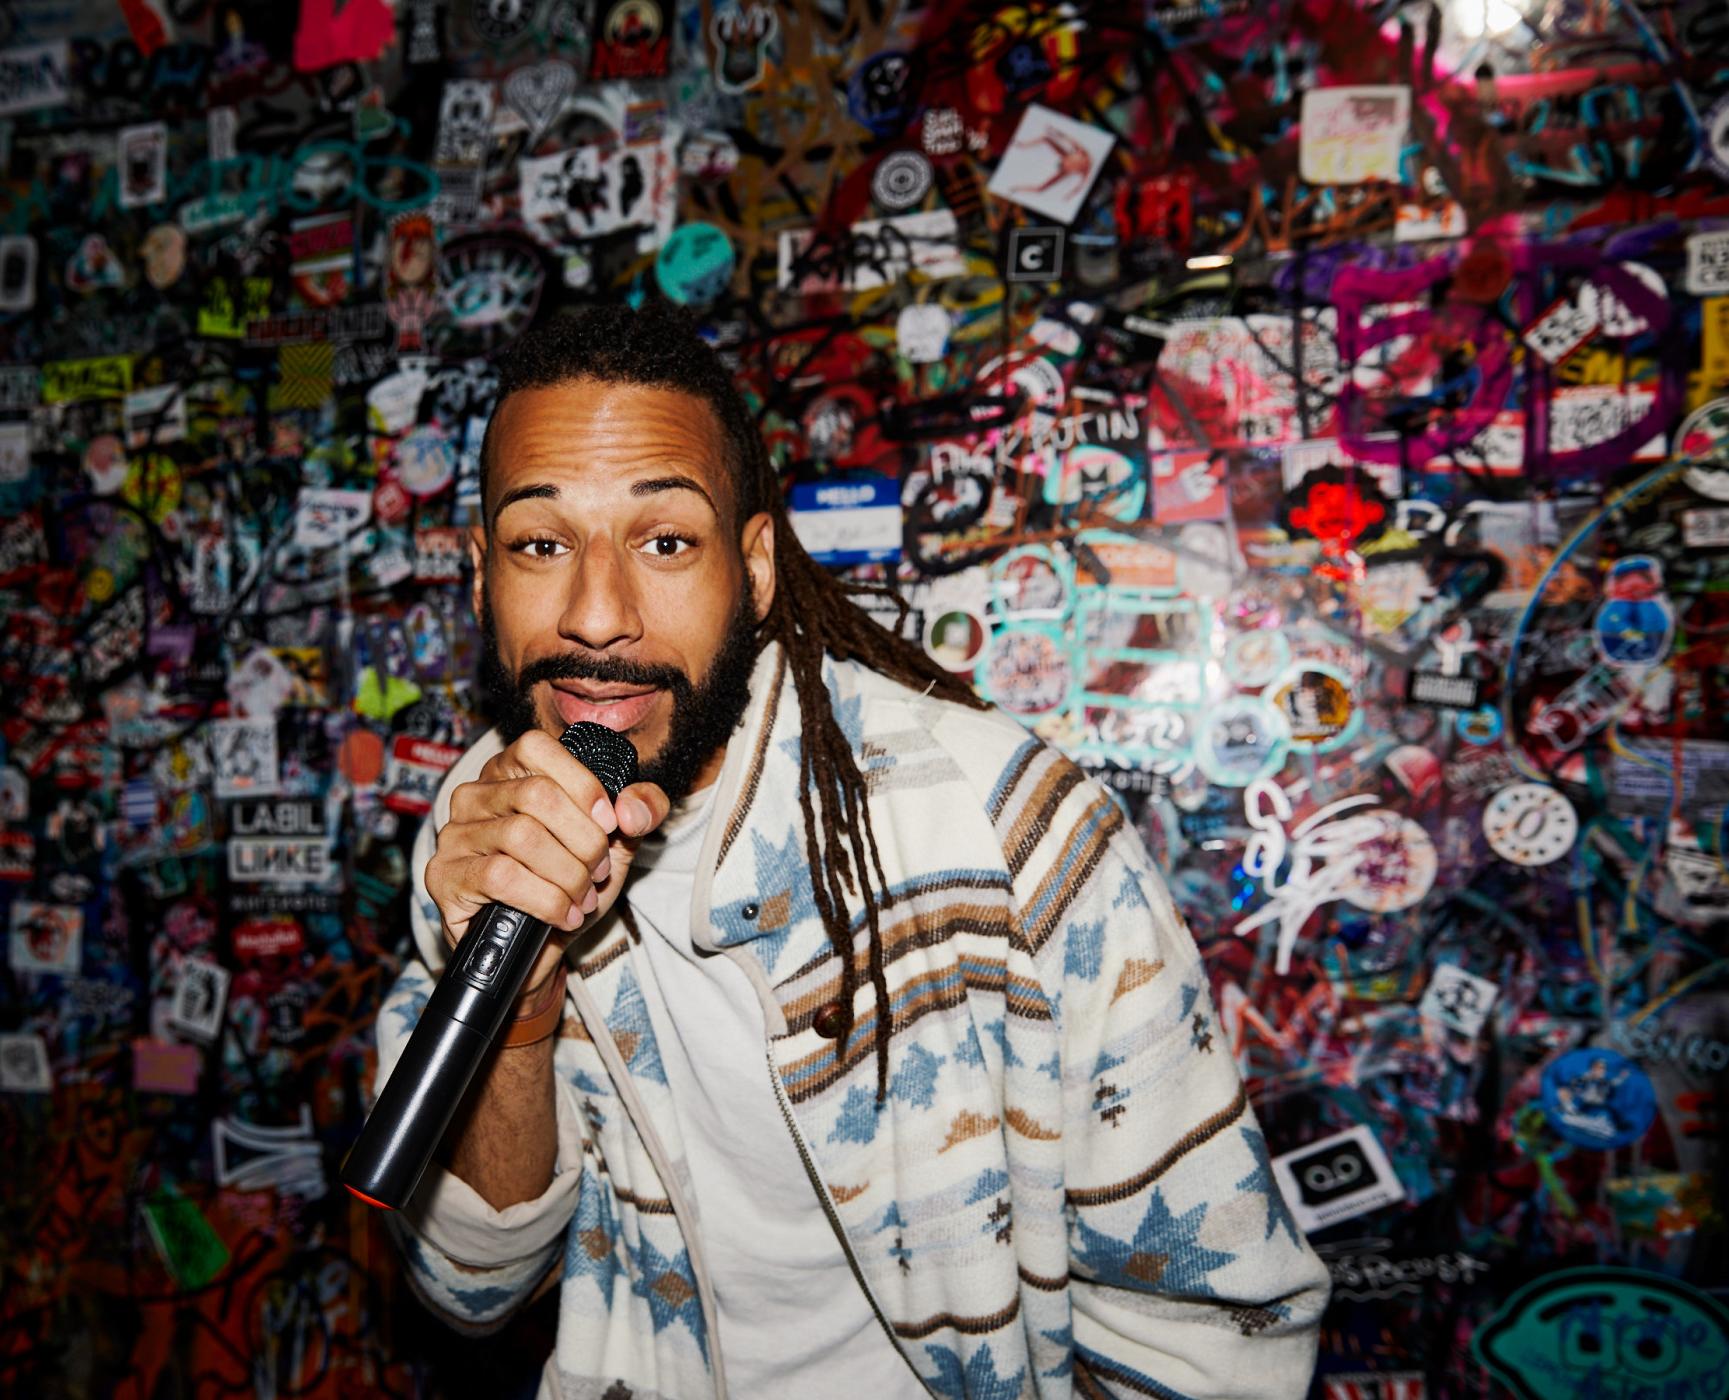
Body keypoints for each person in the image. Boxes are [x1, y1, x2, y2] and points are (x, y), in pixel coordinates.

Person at [372, 304, 1330, 1400]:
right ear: (482, 576)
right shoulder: (481, 826)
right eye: (541, 544)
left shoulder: (999, 825)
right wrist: (524, 1006)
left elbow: (1219, 1331)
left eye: (666, 540)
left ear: (756, 569)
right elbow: (470, 1287)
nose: (597, 614)